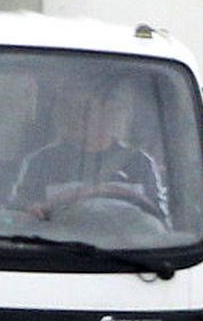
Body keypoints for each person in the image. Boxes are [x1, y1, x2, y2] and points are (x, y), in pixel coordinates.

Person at [10, 83, 168, 223]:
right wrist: (31, 210)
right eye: (69, 109)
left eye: (85, 109)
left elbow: (160, 220)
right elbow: (16, 214)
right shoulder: (40, 162)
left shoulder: (140, 162)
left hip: (129, 251)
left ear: (106, 113)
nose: (76, 118)